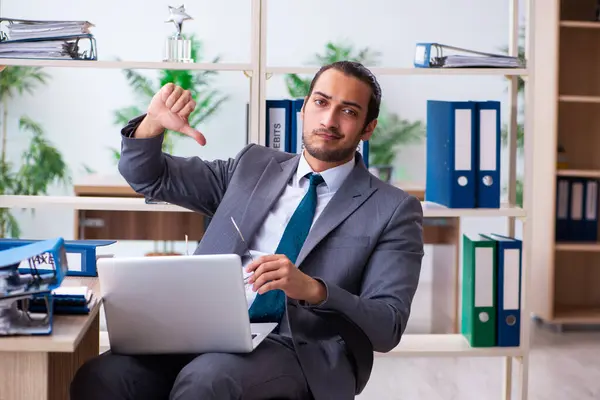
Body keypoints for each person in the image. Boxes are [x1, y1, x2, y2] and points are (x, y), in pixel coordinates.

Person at [70, 61, 424, 400]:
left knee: (206, 381)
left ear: (367, 128)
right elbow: (149, 177)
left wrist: (314, 289)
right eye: (321, 102)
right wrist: (152, 124)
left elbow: (387, 325)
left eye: (348, 111)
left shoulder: (392, 209)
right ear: (304, 108)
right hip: (205, 328)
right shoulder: (253, 166)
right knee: (102, 377)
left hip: (299, 348)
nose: (329, 119)